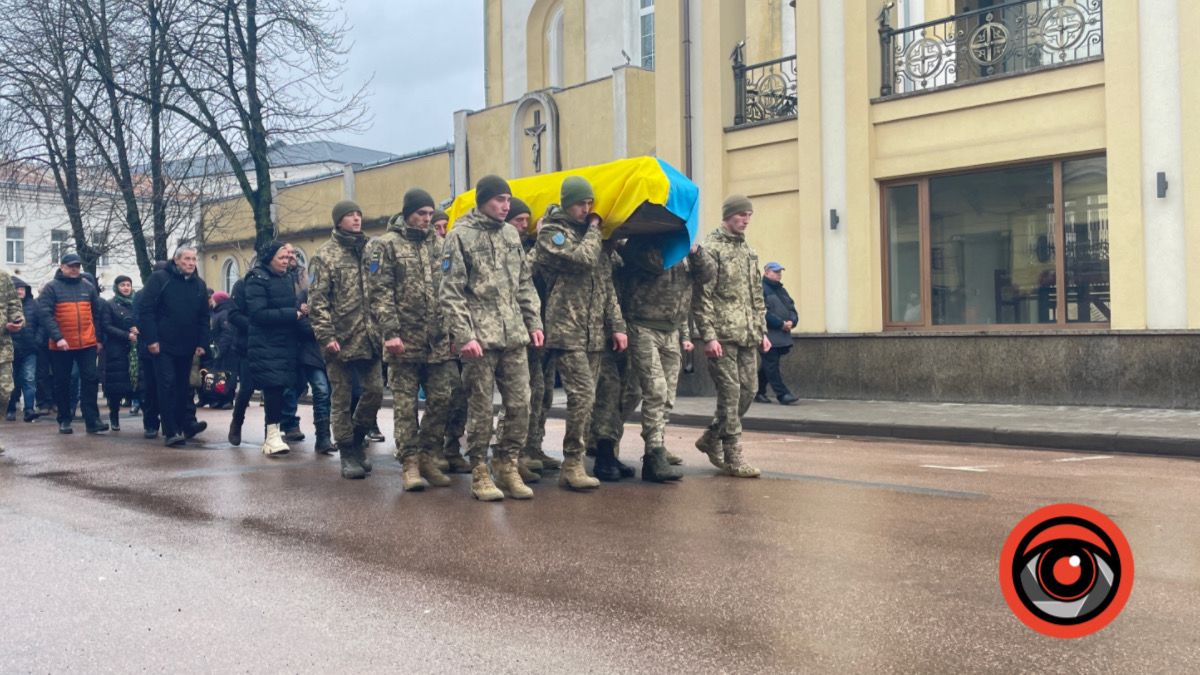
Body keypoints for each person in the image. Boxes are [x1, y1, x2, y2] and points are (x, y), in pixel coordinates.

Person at [440, 175, 544, 501]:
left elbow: (524, 283)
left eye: (508, 200)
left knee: (520, 404)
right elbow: (451, 292)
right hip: (479, 340)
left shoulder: (512, 234)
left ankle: (506, 463)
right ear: (483, 200)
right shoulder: (459, 236)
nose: (505, 205)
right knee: (481, 408)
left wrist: (534, 321)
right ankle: (480, 471)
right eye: (499, 199)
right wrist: (464, 335)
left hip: (513, 334)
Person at [531, 176, 627, 491]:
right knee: (582, 395)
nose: (586, 209)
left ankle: (578, 460)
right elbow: (583, 260)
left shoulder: (592, 238)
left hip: (595, 332)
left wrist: (618, 327)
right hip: (565, 329)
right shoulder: (552, 233)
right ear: (566, 202)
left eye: (590, 203)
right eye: (580, 203)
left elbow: (607, 286)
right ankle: (571, 463)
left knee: (591, 398)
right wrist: (597, 228)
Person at [366, 187, 454, 491]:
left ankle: (429, 454)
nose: (427, 219)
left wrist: (455, 330)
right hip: (403, 341)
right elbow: (379, 292)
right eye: (421, 214)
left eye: (430, 214)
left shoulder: (440, 244)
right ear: (407, 214)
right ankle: (410, 463)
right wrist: (390, 333)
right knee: (405, 407)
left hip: (438, 339)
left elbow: (452, 289)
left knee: (443, 398)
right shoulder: (386, 245)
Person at [619, 235, 716, 481]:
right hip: (642, 326)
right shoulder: (641, 243)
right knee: (654, 390)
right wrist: (673, 241)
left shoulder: (686, 248)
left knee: (668, 396)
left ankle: (657, 446)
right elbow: (655, 264)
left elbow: (707, 274)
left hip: (671, 329)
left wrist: (695, 250)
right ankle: (650, 453)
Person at [692, 194, 770, 478]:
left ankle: (711, 437)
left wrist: (761, 330)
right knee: (730, 393)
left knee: (748, 391)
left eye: (749, 215)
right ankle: (733, 454)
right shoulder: (712, 250)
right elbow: (703, 297)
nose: (746, 220)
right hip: (723, 335)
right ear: (727, 216)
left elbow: (756, 295)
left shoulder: (748, 251)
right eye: (741, 215)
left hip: (747, 334)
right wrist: (708, 336)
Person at [310, 200, 384, 479]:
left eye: (358, 214)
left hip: (370, 336)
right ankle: (347, 453)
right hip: (339, 339)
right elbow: (317, 302)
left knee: (375, 391)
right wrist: (326, 336)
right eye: (350, 215)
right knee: (340, 398)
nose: (356, 219)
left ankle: (357, 438)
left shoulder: (370, 251)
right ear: (338, 220)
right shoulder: (324, 256)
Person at [507, 197, 560, 478]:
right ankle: (515, 454)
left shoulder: (533, 246)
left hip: (544, 329)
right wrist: (539, 241)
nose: (524, 226)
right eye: (519, 221)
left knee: (543, 392)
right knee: (524, 395)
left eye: (527, 221)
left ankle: (533, 446)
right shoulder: (512, 249)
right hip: (519, 331)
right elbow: (521, 275)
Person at [138, 246, 210, 447]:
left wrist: (202, 343)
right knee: (167, 385)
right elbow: (147, 311)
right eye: (186, 259)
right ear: (176, 260)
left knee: (182, 387)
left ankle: (181, 425)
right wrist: (151, 339)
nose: (190, 263)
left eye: (194, 259)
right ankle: (171, 431)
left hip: (187, 346)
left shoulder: (199, 285)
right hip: (163, 345)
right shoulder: (160, 279)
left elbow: (204, 316)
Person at [38, 253, 106, 435]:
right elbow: (45, 315)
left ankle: (92, 420)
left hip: (87, 343)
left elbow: (97, 314)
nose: (75, 269)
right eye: (71, 266)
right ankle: (64, 419)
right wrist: (58, 337)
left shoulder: (88, 287)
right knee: (62, 382)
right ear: (62, 267)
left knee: (91, 380)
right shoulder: (51, 288)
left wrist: (98, 339)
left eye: (77, 266)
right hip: (62, 345)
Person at [244, 241, 301, 456]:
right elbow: (258, 314)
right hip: (265, 343)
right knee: (273, 388)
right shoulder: (257, 278)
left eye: (287, 258)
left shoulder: (286, 278)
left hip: (285, 341)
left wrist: (297, 310)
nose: (286, 262)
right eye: (281, 258)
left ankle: (275, 431)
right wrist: (290, 314)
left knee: (286, 387)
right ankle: (272, 436)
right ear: (269, 258)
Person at [279, 254, 333, 452]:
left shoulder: (335, 297)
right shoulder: (303, 297)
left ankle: (332, 434)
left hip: (333, 354)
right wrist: (326, 330)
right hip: (311, 354)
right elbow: (301, 325)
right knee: (320, 391)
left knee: (331, 395)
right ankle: (322, 437)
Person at [756, 262, 799, 405]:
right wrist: (781, 323)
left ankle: (757, 391)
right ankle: (783, 394)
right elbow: (762, 312)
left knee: (769, 365)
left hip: (781, 334)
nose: (778, 274)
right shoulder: (761, 289)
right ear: (767, 272)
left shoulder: (782, 290)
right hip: (767, 334)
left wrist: (792, 321)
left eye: (780, 272)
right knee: (771, 364)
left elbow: (791, 308)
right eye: (775, 272)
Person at [101, 276, 138, 430]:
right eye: (122, 285)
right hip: (116, 350)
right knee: (115, 387)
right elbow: (106, 326)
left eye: (128, 285)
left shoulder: (137, 303)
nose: (126, 288)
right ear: (117, 287)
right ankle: (114, 416)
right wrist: (125, 335)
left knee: (138, 384)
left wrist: (138, 329)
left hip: (135, 349)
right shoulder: (110, 305)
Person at [5, 277, 40, 423]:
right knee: (11, 381)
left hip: (29, 349)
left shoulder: (34, 305)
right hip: (10, 349)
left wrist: (37, 340)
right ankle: (10, 409)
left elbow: (42, 325)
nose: (20, 291)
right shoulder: (6, 307)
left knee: (29, 379)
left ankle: (29, 410)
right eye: (17, 289)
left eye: (22, 289)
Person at [226, 274, 254, 445]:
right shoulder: (242, 285)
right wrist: (255, 325)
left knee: (276, 389)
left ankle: (272, 431)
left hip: (273, 343)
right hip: (247, 345)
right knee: (247, 388)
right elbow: (233, 315)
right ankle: (237, 422)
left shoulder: (284, 280)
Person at [0, 266, 25, 453]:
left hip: (3, 347)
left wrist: (17, 319)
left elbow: (13, 302)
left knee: (4, 391)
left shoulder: (3, 276)